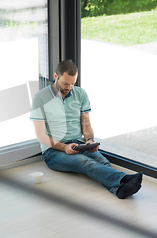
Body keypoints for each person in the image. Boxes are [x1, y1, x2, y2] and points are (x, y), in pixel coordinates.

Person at [30, 60, 142, 199]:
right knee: (83, 162)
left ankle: (118, 191)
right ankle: (124, 179)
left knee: (103, 162)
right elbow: (41, 136)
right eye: (66, 83)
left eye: (73, 83)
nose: (69, 87)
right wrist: (64, 147)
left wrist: (89, 140)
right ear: (55, 76)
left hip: (78, 144)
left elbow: (86, 124)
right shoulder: (40, 98)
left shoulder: (81, 94)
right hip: (53, 152)